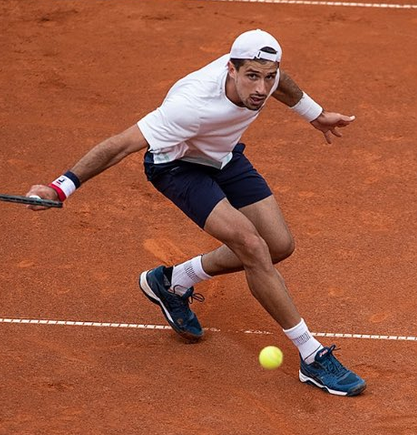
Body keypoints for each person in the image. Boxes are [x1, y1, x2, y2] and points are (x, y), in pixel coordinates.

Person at [26, 29, 366, 397]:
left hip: (224, 156)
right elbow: (120, 144)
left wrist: (315, 115)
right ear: (230, 69)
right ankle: (312, 355)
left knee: (279, 245)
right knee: (252, 244)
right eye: (252, 76)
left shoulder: (266, 80)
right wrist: (60, 187)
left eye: (267, 77)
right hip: (178, 167)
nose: (261, 88)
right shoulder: (190, 105)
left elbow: (283, 83)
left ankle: (171, 281)